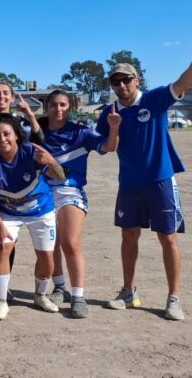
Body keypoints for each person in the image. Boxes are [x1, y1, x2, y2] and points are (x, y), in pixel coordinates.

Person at [95, 32, 192, 321]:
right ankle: (128, 292)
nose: (121, 85)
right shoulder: (108, 113)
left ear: (137, 81)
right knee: (128, 236)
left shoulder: (155, 100)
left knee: (167, 237)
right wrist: (114, 127)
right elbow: (109, 148)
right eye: (115, 81)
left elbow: (183, 83)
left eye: (126, 80)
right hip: (129, 183)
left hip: (160, 179)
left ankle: (173, 298)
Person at [39, 90, 120, 318]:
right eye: (53, 104)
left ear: (70, 107)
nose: (58, 109)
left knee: (70, 243)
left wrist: (114, 128)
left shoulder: (81, 132)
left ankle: (78, 296)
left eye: (63, 104)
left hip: (70, 191)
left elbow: (109, 147)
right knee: (50, 244)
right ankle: (59, 287)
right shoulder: (38, 134)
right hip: (43, 193)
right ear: (47, 108)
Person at [0, 115, 66, 321]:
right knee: (2, 248)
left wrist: (51, 162)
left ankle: (41, 295)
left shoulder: (32, 151)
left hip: (40, 211)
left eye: (6, 134)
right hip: (8, 213)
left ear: (16, 136)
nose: (2, 139)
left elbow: (60, 176)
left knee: (47, 257)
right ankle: (1, 301)